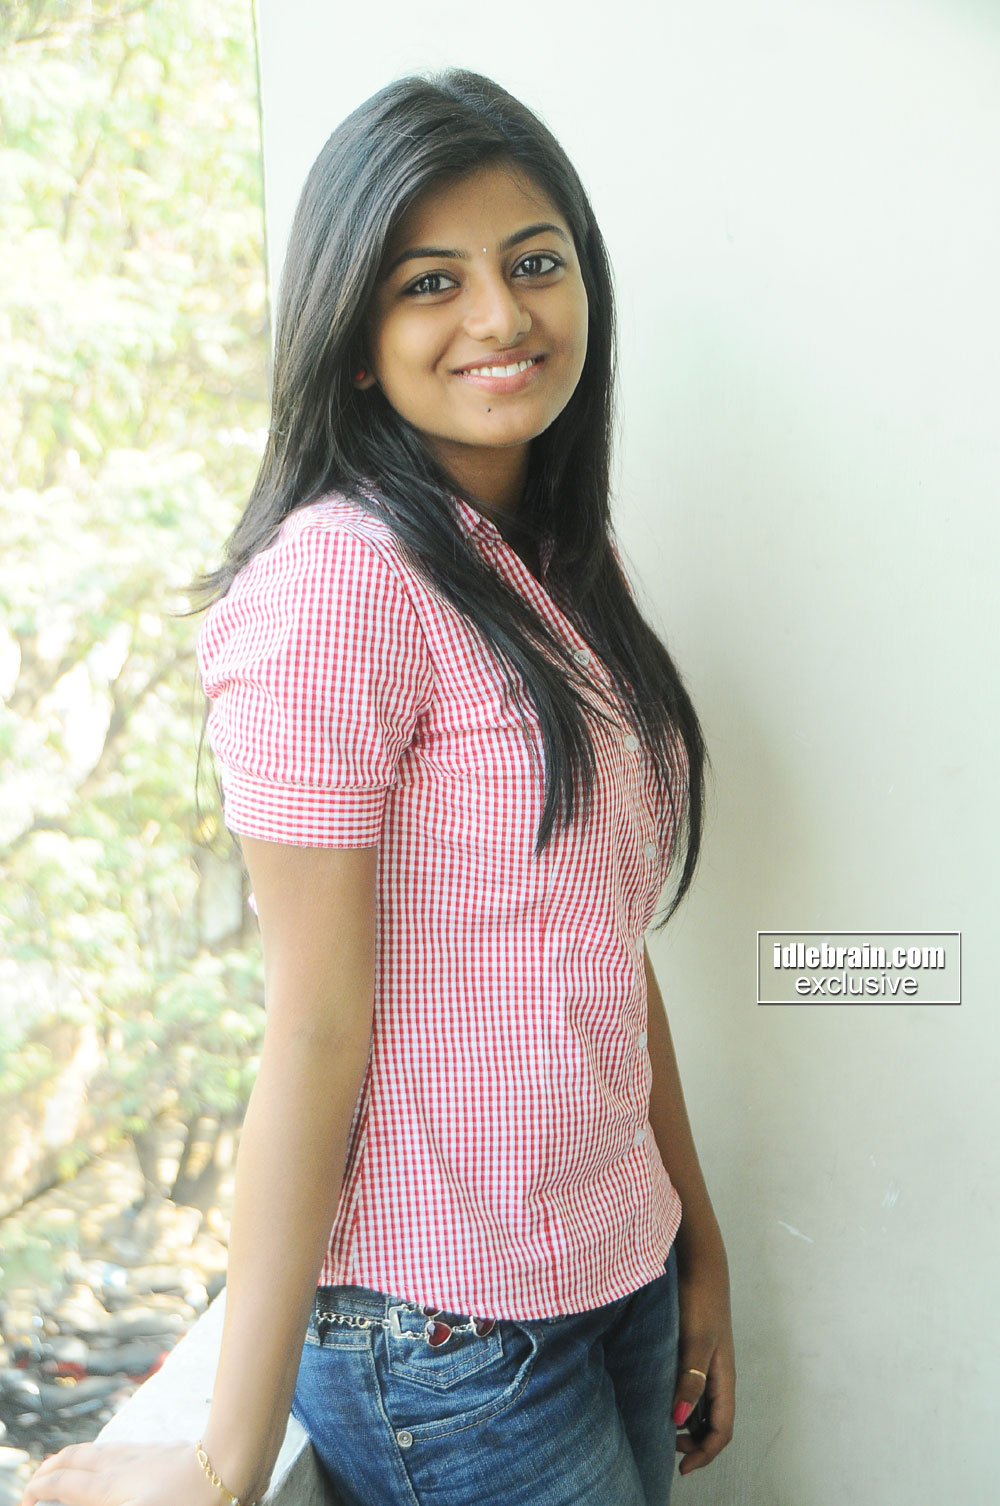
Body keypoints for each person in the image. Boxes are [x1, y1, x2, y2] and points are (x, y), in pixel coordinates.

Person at [22, 69, 734, 1506]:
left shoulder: (553, 564)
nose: (502, 315)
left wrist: (694, 1244)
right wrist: (225, 1461)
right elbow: (313, 1027)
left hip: (614, 1266)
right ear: (356, 341)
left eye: (536, 262)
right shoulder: (337, 589)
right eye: (432, 283)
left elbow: (600, 940)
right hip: (444, 1335)